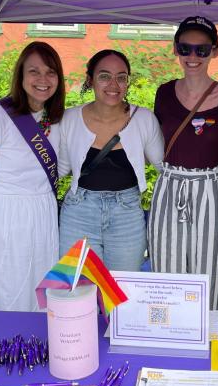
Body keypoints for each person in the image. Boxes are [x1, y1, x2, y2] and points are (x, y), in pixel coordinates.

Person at [147, 16, 218, 310]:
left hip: (211, 187)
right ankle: (169, 334)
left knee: (210, 267)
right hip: (170, 185)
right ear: (176, 49)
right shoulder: (164, 93)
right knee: (166, 266)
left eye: (202, 50)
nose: (193, 57)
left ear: (215, 51)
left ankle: (207, 335)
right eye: (185, 48)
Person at [0, 41, 65, 312]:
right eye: (34, 71)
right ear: (20, 76)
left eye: (50, 72)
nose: (43, 79)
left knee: (37, 297)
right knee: (0, 295)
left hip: (42, 219)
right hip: (3, 221)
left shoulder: (59, 119)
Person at [59, 49, 163, 271]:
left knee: (122, 292)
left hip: (126, 214)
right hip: (79, 213)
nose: (113, 84)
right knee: (78, 290)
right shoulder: (69, 119)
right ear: (90, 80)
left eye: (121, 77)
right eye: (104, 76)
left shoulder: (143, 119)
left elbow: (164, 167)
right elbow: (61, 169)